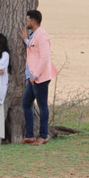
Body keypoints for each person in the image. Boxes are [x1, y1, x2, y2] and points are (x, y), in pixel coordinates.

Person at [19, 9, 58, 145]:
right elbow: (32, 47)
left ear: (34, 22)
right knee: (26, 103)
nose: (26, 22)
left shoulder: (42, 36)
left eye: (28, 20)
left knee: (42, 106)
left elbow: (45, 57)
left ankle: (43, 136)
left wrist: (35, 75)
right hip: (32, 77)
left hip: (39, 77)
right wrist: (25, 39)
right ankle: (30, 135)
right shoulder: (35, 34)